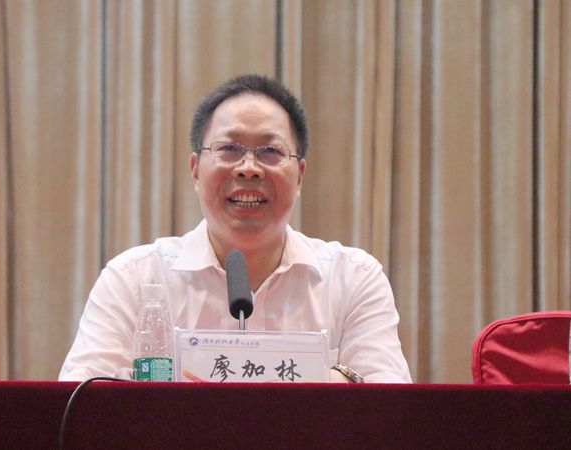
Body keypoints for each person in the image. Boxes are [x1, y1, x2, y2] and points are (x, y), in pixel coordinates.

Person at [59, 74, 411, 383]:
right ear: (195, 170)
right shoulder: (135, 279)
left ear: (300, 176)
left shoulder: (353, 279)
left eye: (270, 151)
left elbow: (389, 409)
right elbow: (80, 405)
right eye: (229, 149)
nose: (249, 168)